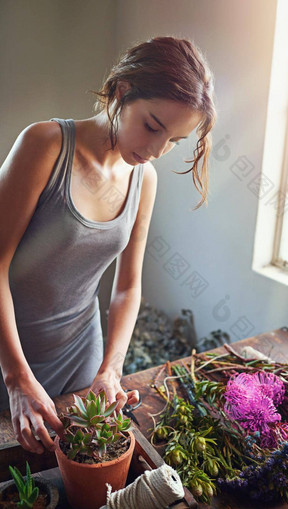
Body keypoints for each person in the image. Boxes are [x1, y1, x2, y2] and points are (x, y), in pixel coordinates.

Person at [0, 36, 217, 455]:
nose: (156, 150)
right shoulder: (44, 145)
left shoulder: (143, 180)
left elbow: (127, 286)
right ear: (121, 91)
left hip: (82, 353)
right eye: (152, 126)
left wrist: (112, 369)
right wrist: (16, 379)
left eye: (173, 140)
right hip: (8, 352)